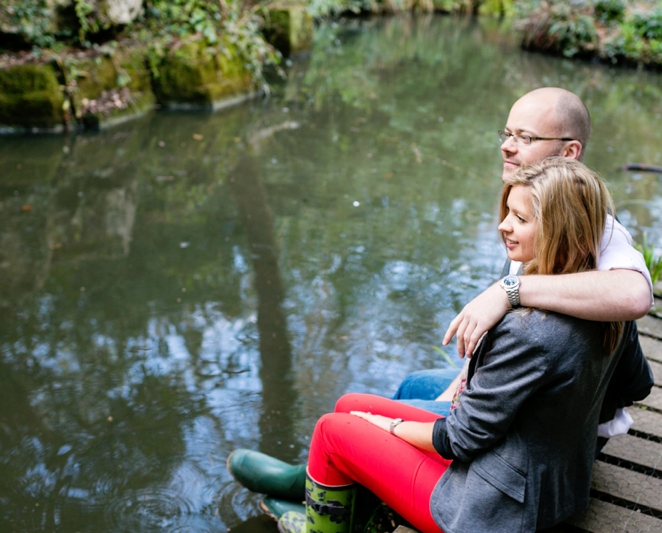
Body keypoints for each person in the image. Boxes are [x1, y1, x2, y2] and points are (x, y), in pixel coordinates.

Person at [226, 87, 654, 506]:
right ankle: (335, 481)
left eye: (525, 138)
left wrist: (513, 298)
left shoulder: (597, 241)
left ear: (569, 153)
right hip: (528, 417)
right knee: (410, 387)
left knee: (354, 424)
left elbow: (635, 300)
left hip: (529, 455)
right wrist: (471, 380)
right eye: (506, 134)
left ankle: (322, 488)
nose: (507, 147)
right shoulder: (545, 224)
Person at [275, 157, 653, 533]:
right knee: (350, 406)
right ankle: (359, 522)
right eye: (508, 212)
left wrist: (388, 428)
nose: (504, 225)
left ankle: (320, 528)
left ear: (561, 230)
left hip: (490, 509)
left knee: (331, 430)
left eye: (521, 219)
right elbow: (636, 384)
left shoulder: (530, 331)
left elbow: (460, 438)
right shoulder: (607, 304)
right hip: (548, 481)